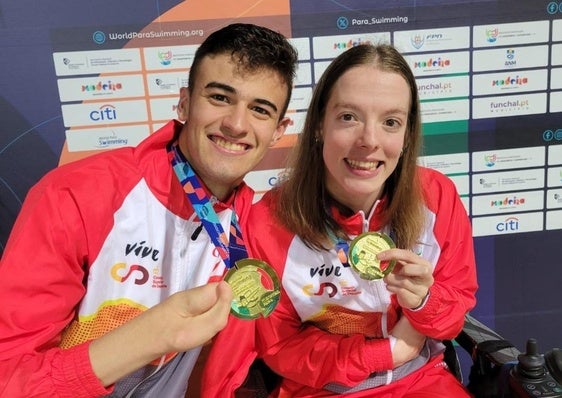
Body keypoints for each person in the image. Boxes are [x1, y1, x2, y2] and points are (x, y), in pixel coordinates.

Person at [0, 23, 298, 397]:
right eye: (220, 97)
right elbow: (9, 374)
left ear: (278, 130)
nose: (237, 124)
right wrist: (146, 339)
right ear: (185, 103)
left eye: (259, 109)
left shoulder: (257, 226)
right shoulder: (76, 195)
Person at [244, 43, 478, 397]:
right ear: (320, 123)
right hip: (320, 389)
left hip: (422, 381)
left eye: (390, 122)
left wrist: (423, 301)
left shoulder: (437, 196)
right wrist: (383, 353)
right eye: (349, 117)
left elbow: (453, 313)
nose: (369, 141)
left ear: (407, 135)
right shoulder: (267, 222)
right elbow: (280, 349)